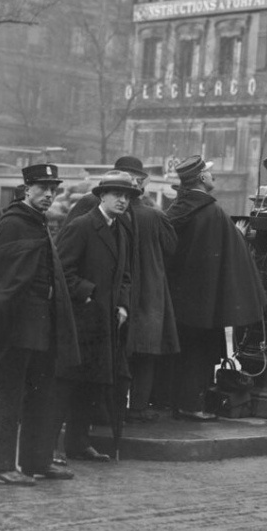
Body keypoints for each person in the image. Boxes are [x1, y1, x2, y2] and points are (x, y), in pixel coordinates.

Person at [0, 162, 81, 485]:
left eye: (53, 190)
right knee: (7, 393)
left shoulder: (37, 223)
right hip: (16, 328)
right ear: (27, 189)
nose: (49, 195)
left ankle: (36, 461)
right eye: (43, 189)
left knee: (42, 393)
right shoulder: (14, 223)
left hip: (40, 327)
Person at [65, 156, 179, 423]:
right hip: (130, 293)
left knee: (114, 354)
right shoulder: (150, 213)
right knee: (133, 352)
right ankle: (125, 410)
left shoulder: (99, 208)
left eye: (129, 190)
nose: (125, 196)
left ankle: (105, 412)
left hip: (118, 292)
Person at [164, 157, 266, 421]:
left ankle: (174, 402)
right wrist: (241, 236)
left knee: (182, 351)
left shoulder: (177, 207)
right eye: (209, 173)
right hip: (204, 300)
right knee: (199, 353)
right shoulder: (213, 212)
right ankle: (192, 405)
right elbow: (229, 249)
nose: (214, 176)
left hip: (177, 298)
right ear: (200, 178)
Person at [56, 170, 136, 461]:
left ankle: (79, 443)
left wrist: (123, 305)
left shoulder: (120, 230)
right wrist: (88, 293)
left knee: (92, 385)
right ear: (102, 196)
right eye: (117, 195)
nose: (123, 201)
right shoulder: (82, 226)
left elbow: (126, 275)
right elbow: (62, 270)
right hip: (83, 321)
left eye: (127, 197)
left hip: (107, 323)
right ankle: (54, 447)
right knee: (70, 385)